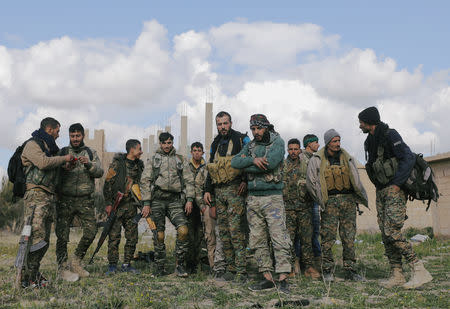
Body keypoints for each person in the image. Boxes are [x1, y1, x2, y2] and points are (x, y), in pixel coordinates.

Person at [359, 106, 432, 289]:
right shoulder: (370, 141)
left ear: (369, 122)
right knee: (386, 234)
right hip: (382, 191)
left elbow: (408, 158)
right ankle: (397, 273)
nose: (359, 125)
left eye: (361, 122)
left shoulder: (390, 135)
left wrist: (397, 184)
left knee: (392, 231)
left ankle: (419, 269)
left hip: (394, 190)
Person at [231, 114, 292, 293]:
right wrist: (252, 160)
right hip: (253, 199)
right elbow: (235, 162)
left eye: (258, 128)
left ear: (266, 127)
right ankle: (267, 277)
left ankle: (283, 278)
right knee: (257, 239)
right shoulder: (250, 146)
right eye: (253, 129)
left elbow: (271, 163)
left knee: (278, 237)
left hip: (272, 197)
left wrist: (247, 164)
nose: (256, 132)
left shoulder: (277, 142)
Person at [306, 129, 368, 282]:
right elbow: (311, 182)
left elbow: (356, 179)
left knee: (349, 237)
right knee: (327, 238)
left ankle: (350, 270)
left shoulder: (348, 158)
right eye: (334, 141)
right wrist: (321, 200)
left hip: (348, 201)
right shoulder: (317, 159)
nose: (338, 144)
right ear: (328, 143)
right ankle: (327, 271)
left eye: (339, 141)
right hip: (330, 203)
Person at [20, 117, 74, 287]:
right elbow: (42, 163)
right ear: (50, 129)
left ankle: (33, 274)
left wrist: (65, 166)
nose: (58, 135)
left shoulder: (50, 148)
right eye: (57, 131)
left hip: (48, 197)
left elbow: (51, 167)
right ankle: (25, 277)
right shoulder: (32, 144)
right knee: (35, 237)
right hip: (35, 196)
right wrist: (64, 159)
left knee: (44, 240)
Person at [203, 111, 250, 282]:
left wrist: (245, 181)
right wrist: (207, 190)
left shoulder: (241, 139)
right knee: (223, 231)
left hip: (235, 190)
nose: (222, 127)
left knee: (236, 230)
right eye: (219, 124)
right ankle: (230, 268)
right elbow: (211, 167)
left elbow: (249, 160)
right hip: (219, 191)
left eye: (225, 123)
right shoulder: (215, 143)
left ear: (231, 123)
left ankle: (241, 271)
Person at [140, 132, 194, 277]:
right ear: (160, 143)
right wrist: (146, 202)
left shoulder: (180, 159)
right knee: (159, 234)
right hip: (157, 200)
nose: (166, 146)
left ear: (172, 143)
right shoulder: (153, 160)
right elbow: (145, 181)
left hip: (175, 201)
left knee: (183, 230)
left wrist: (189, 199)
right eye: (164, 143)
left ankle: (180, 265)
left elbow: (189, 180)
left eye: (169, 143)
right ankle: (160, 267)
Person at [56, 123, 103, 280]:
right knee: (62, 235)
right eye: (72, 136)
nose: (75, 139)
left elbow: (100, 172)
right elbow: (54, 172)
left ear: (83, 136)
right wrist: (65, 166)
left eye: (78, 136)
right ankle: (62, 267)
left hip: (85, 200)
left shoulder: (90, 152)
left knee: (91, 231)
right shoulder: (62, 152)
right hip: (65, 199)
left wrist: (88, 164)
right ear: (69, 136)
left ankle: (76, 261)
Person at [103, 139, 144, 275]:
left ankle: (127, 264)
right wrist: (109, 204)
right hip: (117, 206)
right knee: (114, 237)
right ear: (132, 150)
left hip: (132, 207)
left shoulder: (140, 165)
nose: (141, 152)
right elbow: (107, 184)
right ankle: (112, 265)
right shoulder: (117, 164)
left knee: (132, 237)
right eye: (139, 149)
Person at [282, 138, 320, 279]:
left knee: (307, 239)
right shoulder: (283, 166)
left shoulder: (307, 164)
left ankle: (309, 267)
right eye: (290, 149)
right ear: (288, 150)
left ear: (300, 150)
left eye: (295, 149)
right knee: (289, 240)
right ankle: (291, 267)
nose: (293, 152)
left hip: (305, 208)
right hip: (288, 209)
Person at [184, 142, 209, 273]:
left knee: (201, 234)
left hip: (201, 205)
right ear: (191, 152)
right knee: (189, 235)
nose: (197, 153)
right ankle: (189, 263)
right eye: (194, 150)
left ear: (203, 152)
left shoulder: (207, 167)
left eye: (199, 150)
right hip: (188, 205)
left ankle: (201, 261)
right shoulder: (186, 167)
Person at [302, 134, 322, 261]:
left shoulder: (315, 158)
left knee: (315, 230)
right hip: (304, 200)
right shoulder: (301, 158)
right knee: (307, 231)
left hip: (313, 199)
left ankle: (316, 259)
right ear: (309, 144)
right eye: (316, 142)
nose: (318, 145)